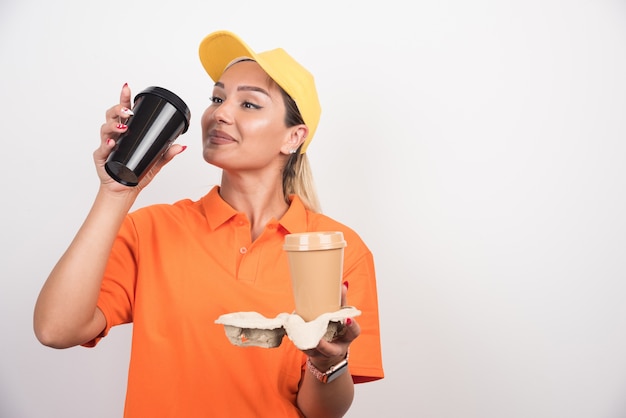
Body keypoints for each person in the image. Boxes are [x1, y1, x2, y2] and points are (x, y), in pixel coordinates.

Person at [34, 29, 384, 417]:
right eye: (217, 98)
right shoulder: (152, 230)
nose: (220, 112)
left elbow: (323, 413)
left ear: (293, 137)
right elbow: (56, 330)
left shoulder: (337, 247)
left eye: (249, 104)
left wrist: (327, 362)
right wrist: (116, 192)